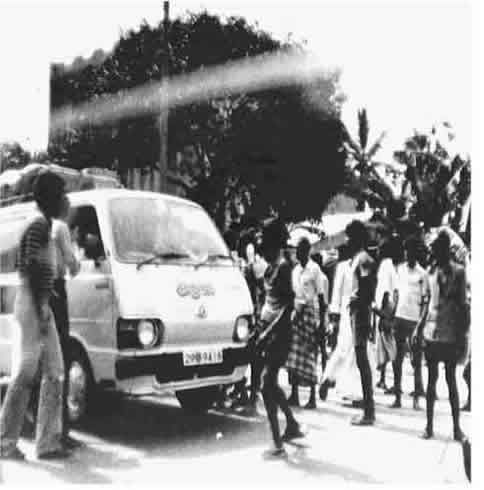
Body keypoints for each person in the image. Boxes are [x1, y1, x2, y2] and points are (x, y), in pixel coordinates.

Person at [0, 172, 70, 460]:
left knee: (53, 370)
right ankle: (6, 442)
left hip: (39, 302)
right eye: (62, 194)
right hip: (33, 303)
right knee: (27, 372)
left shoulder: (46, 225)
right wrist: (42, 307)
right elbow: (32, 267)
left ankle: (47, 442)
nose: (66, 199)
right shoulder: (40, 225)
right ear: (52, 198)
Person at [255, 219, 304, 458]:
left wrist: (266, 333)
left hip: (279, 334)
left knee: (266, 385)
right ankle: (292, 424)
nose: (260, 245)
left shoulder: (284, 268)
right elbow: (268, 303)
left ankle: (277, 443)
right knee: (271, 384)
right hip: (267, 331)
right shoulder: (269, 268)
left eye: (264, 239)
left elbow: (287, 308)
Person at [414, 230, 469, 441]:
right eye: (432, 249)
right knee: (431, 382)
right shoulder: (430, 273)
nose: (433, 251)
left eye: (436, 248)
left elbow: (464, 307)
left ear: (445, 249)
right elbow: (427, 304)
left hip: (451, 333)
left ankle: (456, 427)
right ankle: (429, 427)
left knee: (451, 380)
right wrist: (419, 328)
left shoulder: (459, 272)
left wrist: (463, 336)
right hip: (431, 333)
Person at [50, 195, 81, 447]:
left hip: (42, 291)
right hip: (57, 291)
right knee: (61, 360)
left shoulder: (42, 224)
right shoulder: (60, 228)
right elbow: (73, 266)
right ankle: (61, 431)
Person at [287, 238, 328, 409]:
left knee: (310, 356)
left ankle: (312, 397)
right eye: (297, 250)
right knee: (294, 356)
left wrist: (321, 322)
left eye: (302, 250)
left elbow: (321, 297)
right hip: (296, 314)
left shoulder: (314, 269)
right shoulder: (295, 270)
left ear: (308, 251)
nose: (298, 253)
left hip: (310, 314)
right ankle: (294, 394)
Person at [346, 220, 377, 426]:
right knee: (360, 359)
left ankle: (369, 411)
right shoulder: (358, 258)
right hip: (358, 311)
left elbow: (368, 285)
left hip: (361, 312)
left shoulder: (364, 258)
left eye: (350, 237)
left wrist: (357, 300)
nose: (348, 241)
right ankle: (368, 409)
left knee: (361, 359)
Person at [391, 236, 427, 410]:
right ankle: (397, 397)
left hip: (414, 320)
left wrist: (421, 323)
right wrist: (391, 315)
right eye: (406, 251)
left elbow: (426, 301)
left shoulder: (423, 274)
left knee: (416, 360)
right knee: (397, 359)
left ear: (416, 253)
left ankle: (416, 399)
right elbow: (396, 294)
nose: (408, 254)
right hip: (399, 317)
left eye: (411, 251)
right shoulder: (400, 270)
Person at [373, 238, 400, 393]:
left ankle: (395, 384)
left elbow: (386, 291)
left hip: (385, 309)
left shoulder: (385, 265)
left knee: (389, 348)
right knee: (384, 347)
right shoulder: (390, 266)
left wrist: (385, 314)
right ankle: (383, 379)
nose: (377, 251)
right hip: (387, 308)